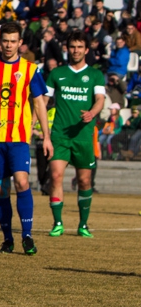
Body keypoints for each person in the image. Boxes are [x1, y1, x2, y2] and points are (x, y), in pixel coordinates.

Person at [0, 21, 53, 256]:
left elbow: (39, 103)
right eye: (5, 41)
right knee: (2, 189)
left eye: (13, 41)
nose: (8, 45)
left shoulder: (30, 69)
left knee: (22, 182)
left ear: (20, 43)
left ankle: (27, 235)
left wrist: (46, 136)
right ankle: (8, 239)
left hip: (19, 136)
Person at [43, 31, 105, 238]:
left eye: (80, 47)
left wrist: (92, 113)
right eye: (72, 47)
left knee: (85, 181)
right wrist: (35, 123)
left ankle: (83, 224)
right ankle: (58, 223)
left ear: (86, 50)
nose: (76, 50)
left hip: (84, 136)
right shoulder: (57, 73)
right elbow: (43, 101)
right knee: (55, 176)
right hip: (59, 135)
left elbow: (100, 99)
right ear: (67, 49)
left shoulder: (95, 75)